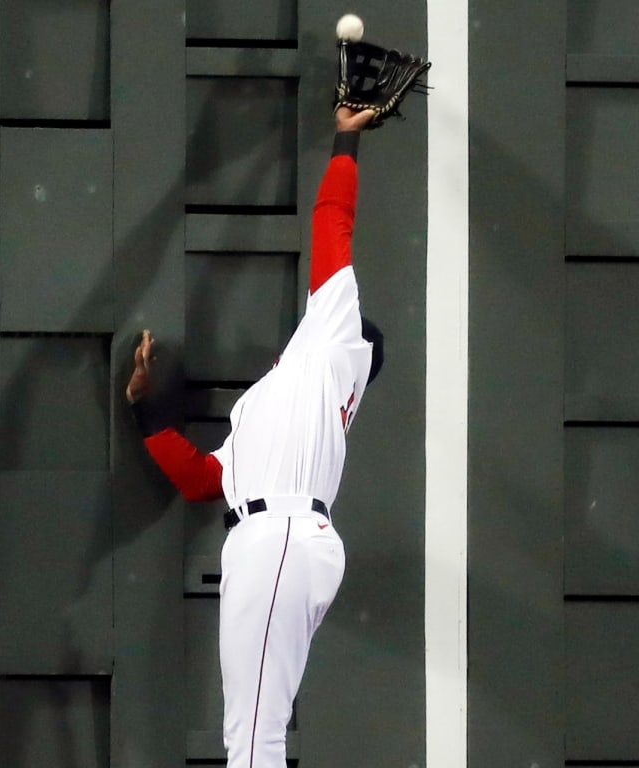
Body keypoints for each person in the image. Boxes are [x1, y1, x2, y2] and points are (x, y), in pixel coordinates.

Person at [124, 105, 386, 768]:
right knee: (248, 730)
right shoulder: (271, 405)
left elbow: (332, 221)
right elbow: (201, 482)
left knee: (253, 736)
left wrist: (346, 138)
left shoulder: (334, 347)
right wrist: (149, 416)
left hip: (282, 539)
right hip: (273, 539)